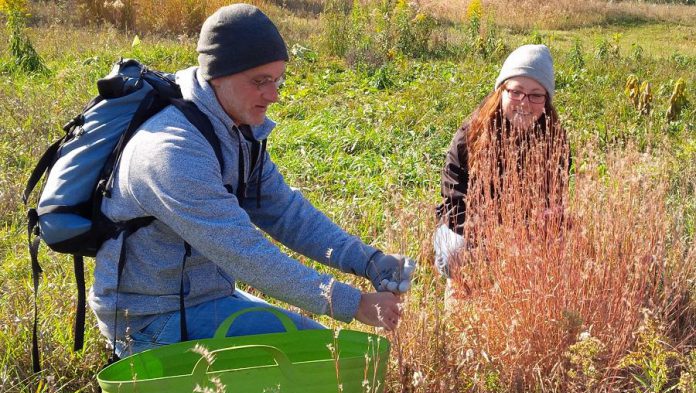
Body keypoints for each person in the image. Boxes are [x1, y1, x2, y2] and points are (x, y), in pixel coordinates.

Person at [89, 4, 415, 358]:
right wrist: (354, 303)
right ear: (217, 75)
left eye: (278, 80)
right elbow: (246, 255)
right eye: (260, 81)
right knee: (316, 352)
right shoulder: (172, 153)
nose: (273, 95)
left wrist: (368, 260)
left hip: (204, 296)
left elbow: (286, 213)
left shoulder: (236, 129)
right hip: (150, 317)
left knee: (312, 346)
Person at [434, 44, 570, 279]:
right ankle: (459, 291)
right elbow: (454, 201)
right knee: (453, 253)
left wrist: (528, 238)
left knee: (570, 252)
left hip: (526, 233)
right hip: (470, 230)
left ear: (546, 100)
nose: (524, 102)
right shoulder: (471, 135)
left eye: (536, 95)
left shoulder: (554, 140)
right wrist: (493, 241)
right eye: (516, 91)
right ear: (501, 91)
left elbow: (553, 200)